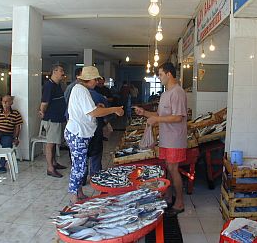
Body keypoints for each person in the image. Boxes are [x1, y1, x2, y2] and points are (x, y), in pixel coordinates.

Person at [64, 66, 124, 205]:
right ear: (89, 79)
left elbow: (88, 109)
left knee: (80, 165)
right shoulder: (81, 90)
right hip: (78, 133)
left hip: (79, 132)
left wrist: (98, 107)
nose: (97, 82)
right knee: (79, 167)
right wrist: (114, 109)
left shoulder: (81, 89)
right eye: (95, 79)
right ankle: (74, 198)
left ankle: (78, 192)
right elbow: (93, 112)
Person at [134, 62, 187, 217]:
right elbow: (159, 116)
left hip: (175, 140)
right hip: (165, 139)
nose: (159, 77)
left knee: (173, 169)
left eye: (161, 74)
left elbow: (178, 117)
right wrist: (144, 113)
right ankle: (169, 197)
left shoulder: (177, 92)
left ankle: (180, 203)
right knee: (168, 169)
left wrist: (157, 121)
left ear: (169, 74)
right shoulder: (165, 94)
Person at [39, 63, 67, 178]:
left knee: (55, 142)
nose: (63, 73)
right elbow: (44, 103)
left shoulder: (57, 85)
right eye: (61, 71)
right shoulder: (49, 85)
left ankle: (54, 163)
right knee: (50, 144)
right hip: (52, 119)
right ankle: (50, 168)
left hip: (57, 118)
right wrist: (43, 112)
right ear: (54, 72)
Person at [0, 95, 23, 173]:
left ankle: (2, 165)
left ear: (11, 103)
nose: (4, 103)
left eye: (7, 101)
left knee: (7, 146)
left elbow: (18, 127)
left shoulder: (16, 113)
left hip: (7, 134)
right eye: (3, 101)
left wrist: (16, 138)